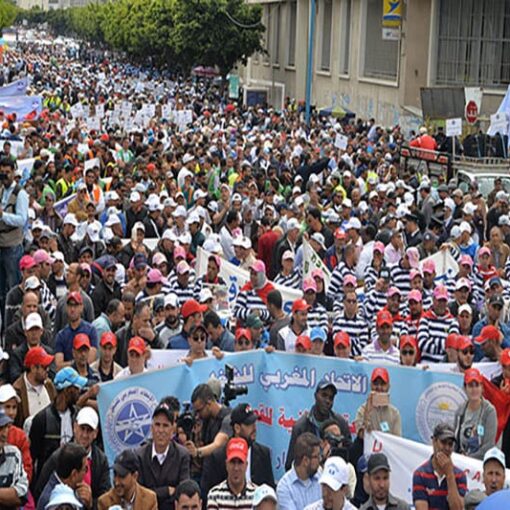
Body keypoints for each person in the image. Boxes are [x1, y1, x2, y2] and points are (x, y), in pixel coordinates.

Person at [34, 406, 110, 507]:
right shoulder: (58, 456)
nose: (84, 435)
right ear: (74, 427)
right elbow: (40, 490)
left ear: (95, 433)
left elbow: (105, 498)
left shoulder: (101, 460)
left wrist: (92, 503)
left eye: (89, 430)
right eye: (82, 428)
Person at [202, 403, 274, 494]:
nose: (254, 428)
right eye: (249, 424)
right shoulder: (218, 457)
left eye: (255, 423)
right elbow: (209, 493)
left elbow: (270, 491)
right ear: (237, 428)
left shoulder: (263, 453)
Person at [30, 367, 87, 479]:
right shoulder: (41, 419)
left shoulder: (78, 415)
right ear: (67, 390)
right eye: (76, 388)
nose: (79, 391)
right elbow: (33, 457)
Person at [286, 379, 351, 470]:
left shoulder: (341, 424)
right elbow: (290, 464)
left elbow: (350, 456)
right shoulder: (301, 426)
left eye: (331, 398)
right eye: (324, 395)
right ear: (315, 396)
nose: (327, 401)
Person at [136, 402, 190, 509]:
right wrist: (166, 491)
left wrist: (152, 492)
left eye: (165, 426)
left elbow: (183, 493)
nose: (160, 430)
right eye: (157, 425)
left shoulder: (182, 455)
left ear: (172, 430)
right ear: (151, 428)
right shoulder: (140, 455)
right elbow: (139, 495)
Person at [412, 422, 467, 510]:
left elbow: (458, 509)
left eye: (450, 444)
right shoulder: (420, 474)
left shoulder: (460, 476)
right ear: (434, 441)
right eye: (443, 442)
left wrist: (450, 476)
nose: (447, 448)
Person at [188, 383, 232, 490]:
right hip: (206, 477)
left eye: (199, 410)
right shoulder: (206, 419)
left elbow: (218, 443)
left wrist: (197, 452)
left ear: (209, 403)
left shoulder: (228, 417)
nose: (197, 415)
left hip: (222, 478)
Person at [0, 157, 29, 314]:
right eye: (2, 173)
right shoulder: (1, 191)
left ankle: (12, 321)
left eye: (7, 173)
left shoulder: (20, 194)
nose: (4, 176)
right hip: (1, 245)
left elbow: (22, 219)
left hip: (12, 246)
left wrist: (3, 215)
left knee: (12, 288)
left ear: (13, 172)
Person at [454, 368, 497, 459]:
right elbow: (455, 441)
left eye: (477, 385)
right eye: (470, 386)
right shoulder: (460, 411)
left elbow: (488, 446)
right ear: (464, 388)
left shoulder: (489, 411)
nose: (474, 389)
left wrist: (467, 458)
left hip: (480, 464)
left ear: (482, 388)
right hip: (460, 461)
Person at [37, 442, 91, 510]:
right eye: (85, 469)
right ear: (74, 474)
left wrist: (89, 505)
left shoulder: (75, 490)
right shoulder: (49, 500)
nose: (86, 473)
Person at [12, 346, 56, 428]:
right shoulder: (17, 391)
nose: (48, 370)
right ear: (33, 368)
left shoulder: (49, 385)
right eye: (44, 367)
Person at [206, 437, 256, 509]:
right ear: (226, 464)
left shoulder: (257, 494)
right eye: (232, 462)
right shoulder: (214, 495)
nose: (236, 468)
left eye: (240, 462)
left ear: (246, 465)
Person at [277, 432, 322, 510]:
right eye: (316, 456)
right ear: (305, 460)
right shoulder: (284, 487)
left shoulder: (321, 478)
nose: (320, 459)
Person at [54, 292, 98, 369]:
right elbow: (58, 365)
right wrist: (78, 362)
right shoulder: (61, 335)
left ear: (81, 307)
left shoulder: (91, 330)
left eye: (76, 305)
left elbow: (91, 360)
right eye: (70, 305)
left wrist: (70, 363)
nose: (72, 309)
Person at [354, 367, 402, 438]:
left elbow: (397, 441)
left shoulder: (394, 413)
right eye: (376, 383)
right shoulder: (362, 410)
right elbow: (361, 436)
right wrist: (367, 414)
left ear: (388, 386)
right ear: (371, 385)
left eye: (382, 384)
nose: (379, 387)